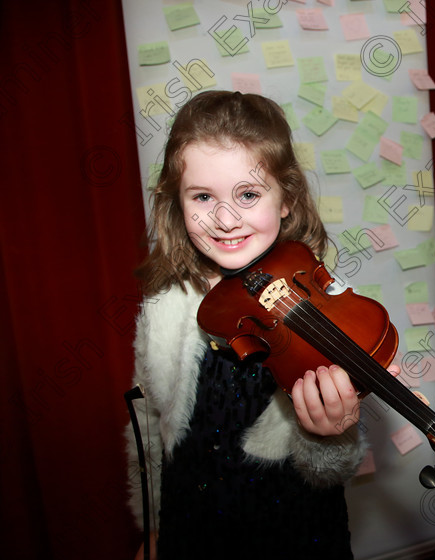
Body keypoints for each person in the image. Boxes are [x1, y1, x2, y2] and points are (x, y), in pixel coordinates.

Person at [126, 91, 389, 559]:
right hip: (191, 525)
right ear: (177, 203)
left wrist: (331, 433)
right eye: (203, 196)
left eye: (248, 195)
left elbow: (330, 470)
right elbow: (147, 426)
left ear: (286, 199)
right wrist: (150, 523)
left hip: (294, 528)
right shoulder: (166, 306)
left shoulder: (320, 304)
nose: (225, 219)